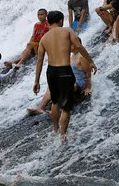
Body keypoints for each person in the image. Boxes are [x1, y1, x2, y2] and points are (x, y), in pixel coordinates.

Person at [34, 11, 97, 141]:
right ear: (61, 21)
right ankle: (63, 136)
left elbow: (39, 61)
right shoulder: (67, 31)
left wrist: (36, 81)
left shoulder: (44, 38)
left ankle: (56, 129)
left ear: (48, 22)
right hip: (64, 71)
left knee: (55, 102)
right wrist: (90, 61)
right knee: (66, 107)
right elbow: (78, 46)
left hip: (51, 72)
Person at [27, 47, 93, 115]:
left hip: (80, 83)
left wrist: (88, 87)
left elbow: (88, 73)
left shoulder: (81, 57)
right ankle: (40, 108)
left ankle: (60, 110)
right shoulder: (73, 55)